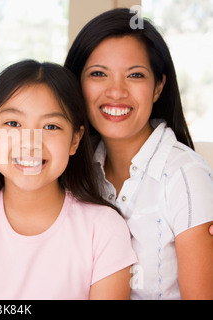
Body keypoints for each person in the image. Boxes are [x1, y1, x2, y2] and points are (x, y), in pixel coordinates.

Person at [0, 60, 138, 300]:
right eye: (13, 123)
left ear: (75, 139)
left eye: (50, 126)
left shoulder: (104, 228)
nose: (30, 143)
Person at [64, 8, 213, 299]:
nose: (116, 92)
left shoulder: (186, 176)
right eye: (98, 74)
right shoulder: (69, 167)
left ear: (158, 86)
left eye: (134, 75)